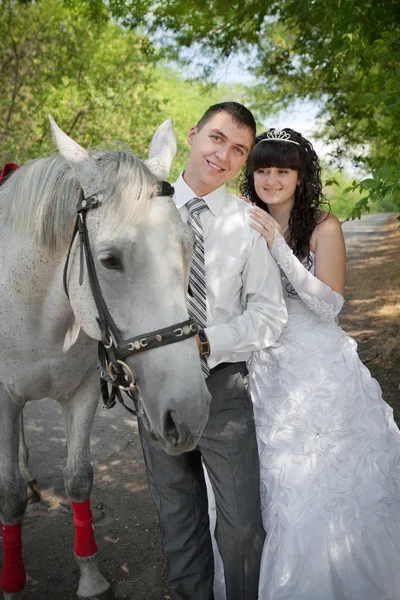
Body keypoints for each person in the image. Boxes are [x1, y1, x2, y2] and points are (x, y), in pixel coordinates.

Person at [208, 127, 400, 600]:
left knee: (318, 477)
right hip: (261, 362)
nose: (271, 180)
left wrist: (279, 248)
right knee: (265, 479)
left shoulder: (323, 225)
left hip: (316, 365)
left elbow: (331, 305)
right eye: (262, 170)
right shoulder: (240, 218)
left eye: (283, 171)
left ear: (300, 176)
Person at [138, 104, 288, 600]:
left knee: (243, 526)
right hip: (155, 388)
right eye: (217, 138)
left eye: (238, 150)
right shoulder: (140, 210)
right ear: (193, 133)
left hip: (223, 387)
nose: (223, 155)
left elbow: (270, 316)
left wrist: (205, 342)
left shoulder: (249, 223)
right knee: (178, 519)